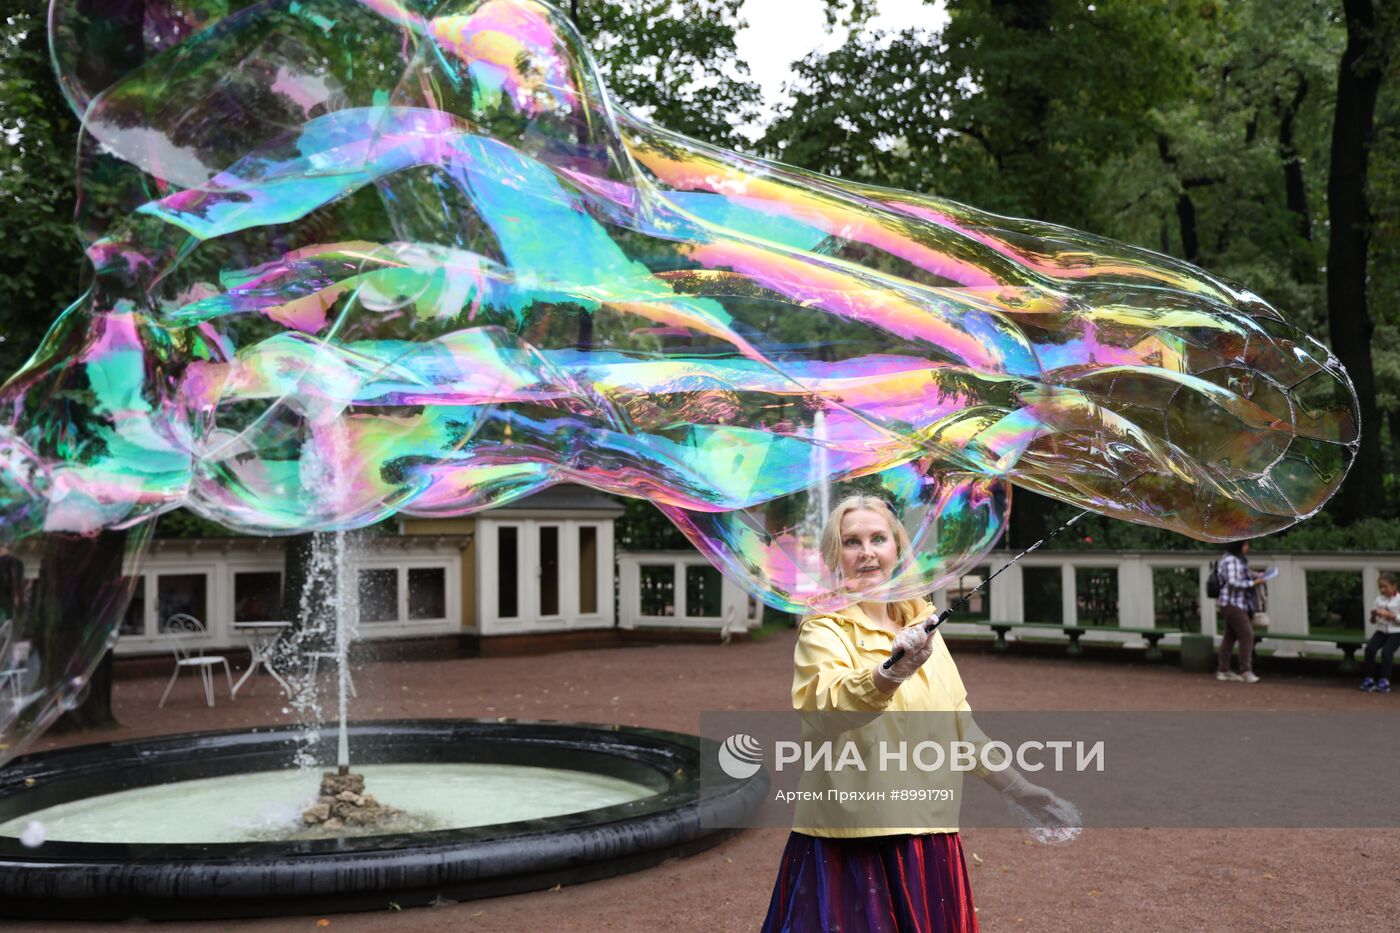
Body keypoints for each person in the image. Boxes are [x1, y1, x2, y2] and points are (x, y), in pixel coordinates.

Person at [761, 495, 1059, 933]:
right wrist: (888, 674)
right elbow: (826, 707)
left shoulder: (923, 628)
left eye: (878, 538)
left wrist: (1019, 788)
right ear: (834, 556)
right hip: (852, 839)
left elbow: (959, 726)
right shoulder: (823, 628)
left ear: (896, 549)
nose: (866, 552)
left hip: (930, 835)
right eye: (851, 541)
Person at [1216, 540, 1266, 684]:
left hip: (1235, 603)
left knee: (1230, 637)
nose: (1247, 547)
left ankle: (1223, 670)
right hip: (1232, 603)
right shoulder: (1231, 560)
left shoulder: (1236, 559)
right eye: (1245, 544)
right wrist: (1252, 583)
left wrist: (1256, 575)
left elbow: (1243, 573)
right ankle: (1245, 671)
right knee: (1247, 635)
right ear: (1239, 546)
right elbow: (1233, 582)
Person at [1359, 572, 1400, 693]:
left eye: (1385, 586)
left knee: (1386, 652)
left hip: (1396, 633)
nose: (1382, 589)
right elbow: (1373, 621)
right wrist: (1373, 616)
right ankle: (1369, 678)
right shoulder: (1378, 599)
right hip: (1381, 631)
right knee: (1370, 649)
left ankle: (1384, 680)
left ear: (1394, 586)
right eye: (1380, 587)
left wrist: (1391, 616)